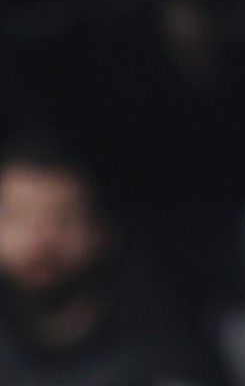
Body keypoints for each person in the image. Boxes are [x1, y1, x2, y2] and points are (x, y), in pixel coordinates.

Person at [0, 134, 212, 385]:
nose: (40, 244)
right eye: (18, 218)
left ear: (104, 230)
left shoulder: (162, 354)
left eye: (63, 220)